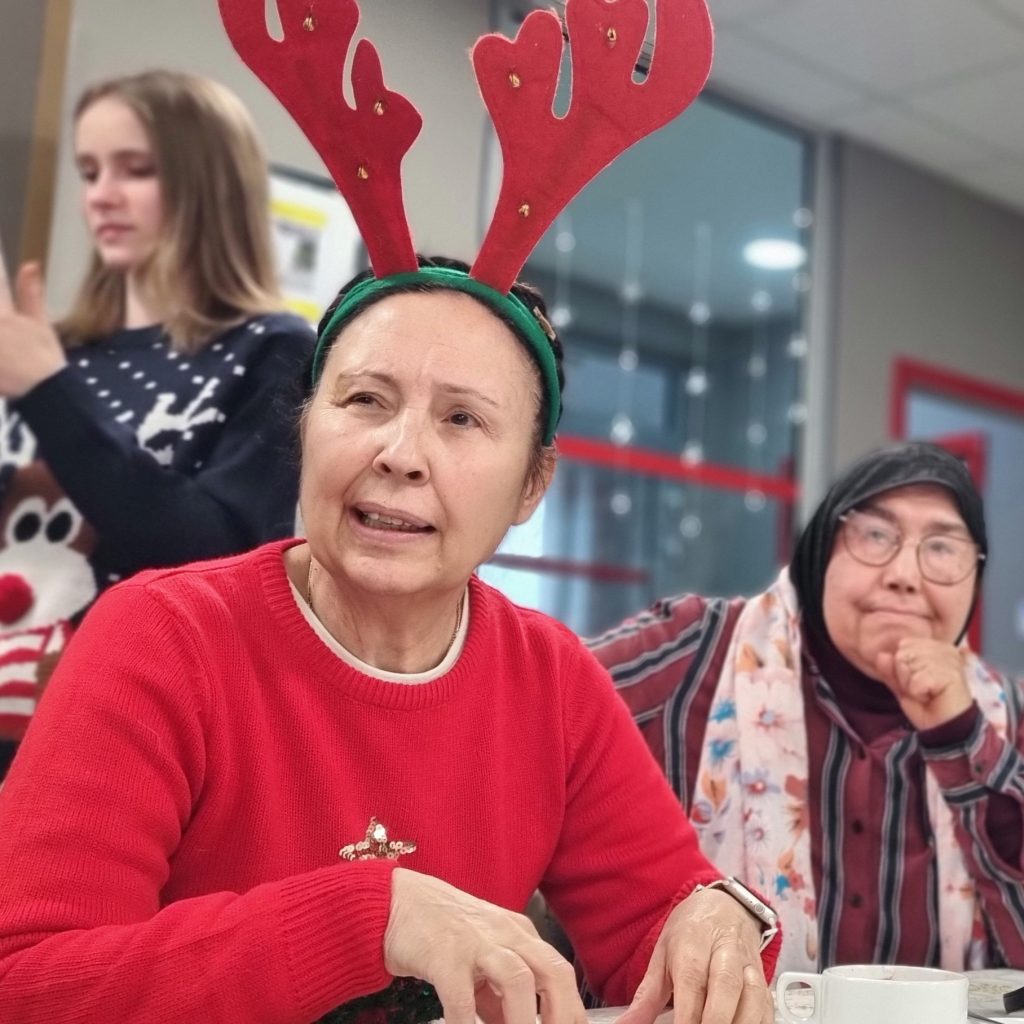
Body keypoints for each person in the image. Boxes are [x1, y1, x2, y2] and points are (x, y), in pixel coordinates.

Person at [0, 258, 779, 1024]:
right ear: (306, 424)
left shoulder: (552, 680)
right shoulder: (162, 637)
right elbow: (26, 985)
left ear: (532, 486)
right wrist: (366, 918)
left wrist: (715, 924)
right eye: (366, 399)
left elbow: (661, 930)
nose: (401, 455)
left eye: (462, 419)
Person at [589, 441, 1024, 973]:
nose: (906, 574)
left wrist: (962, 737)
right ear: (821, 548)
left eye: (941, 548)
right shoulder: (697, 650)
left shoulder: (1004, 714)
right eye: (875, 535)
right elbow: (527, 712)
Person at [0, 70, 315, 767]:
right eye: (88, 171)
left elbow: (217, 555)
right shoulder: (51, 348)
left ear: (209, 183)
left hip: (115, 740)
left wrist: (46, 391)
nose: (101, 195)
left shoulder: (273, 349)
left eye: (134, 170)